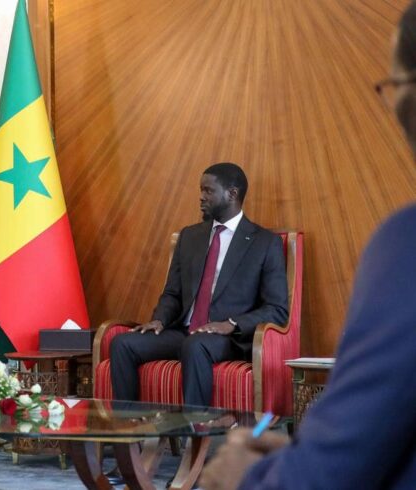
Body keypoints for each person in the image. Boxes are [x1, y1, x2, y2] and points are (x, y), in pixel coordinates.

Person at [200, 5, 416, 490]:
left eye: (394, 85)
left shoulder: (406, 245)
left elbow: (329, 472)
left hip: (238, 340)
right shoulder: (196, 241)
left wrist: (249, 474)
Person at [109, 162, 288, 406]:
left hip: (228, 339)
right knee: (122, 343)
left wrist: (231, 324)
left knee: (195, 346)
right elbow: (172, 292)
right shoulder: (190, 236)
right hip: (183, 331)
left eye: (208, 191)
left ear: (232, 194)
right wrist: (160, 319)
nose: (201, 197)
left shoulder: (264, 243)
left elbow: (277, 309)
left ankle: (194, 437)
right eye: (201, 190)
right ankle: (128, 434)